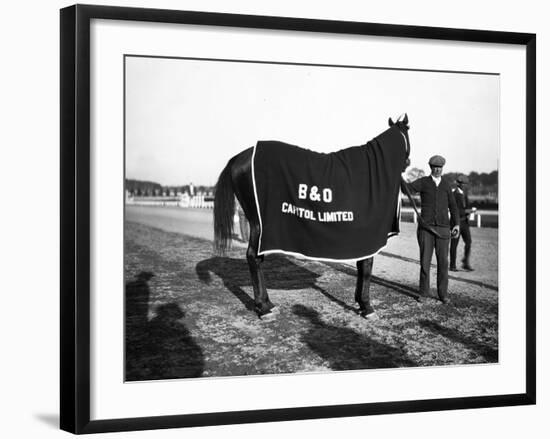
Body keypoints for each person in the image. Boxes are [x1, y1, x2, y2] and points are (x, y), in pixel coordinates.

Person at [404, 155, 459, 304]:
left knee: (443, 263)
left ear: (442, 168)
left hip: (443, 230)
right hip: (426, 230)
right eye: (434, 167)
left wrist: (456, 224)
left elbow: (453, 206)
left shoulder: (447, 185)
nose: (437, 170)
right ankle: (424, 293)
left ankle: (443, 294)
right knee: (425, 262)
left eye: (439, 167)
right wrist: (399, 174)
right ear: (430, 168)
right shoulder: (423, 182)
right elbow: (406, 189)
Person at [450, 174, 475, 271]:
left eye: (466, 184)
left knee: (468, 242)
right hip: (456, 223)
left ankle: (465, 262)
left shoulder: (465, 194)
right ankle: (452, 265)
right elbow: (455, 210)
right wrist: (468, 211)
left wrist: (470, 211)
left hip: (464, 222)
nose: (465, 186)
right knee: (454, 244)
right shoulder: (454, 195)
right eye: (464, 184)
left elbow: (466, 207)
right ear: (459, 184)